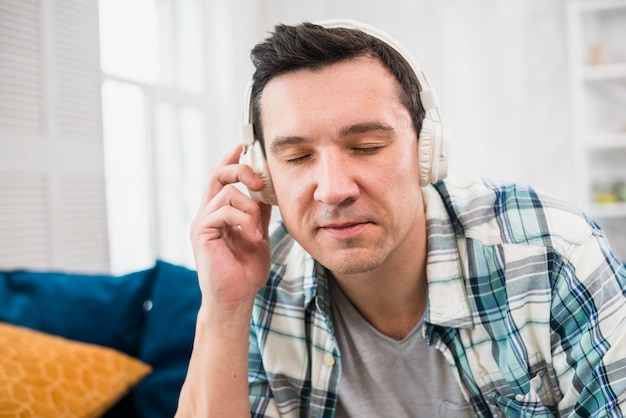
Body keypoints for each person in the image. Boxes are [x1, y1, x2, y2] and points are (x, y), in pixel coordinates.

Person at [176, 19, 626, 418]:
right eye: (296, 156)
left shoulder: (552, 253)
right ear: (263, 175)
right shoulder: (262, 285)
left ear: (427, 151)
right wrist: (225, 308)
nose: (333, 189)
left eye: (366, 147)